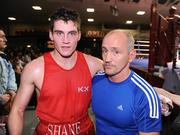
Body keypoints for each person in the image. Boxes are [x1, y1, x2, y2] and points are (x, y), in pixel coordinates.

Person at [8, 7, 103, 135]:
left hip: (85, 131)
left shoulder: (95, 65)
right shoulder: (34, 69)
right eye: (59, 33)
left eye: (72, 33)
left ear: (79, 35)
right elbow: (17, 110)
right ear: (51, 35)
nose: (66, 40)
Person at [92, 30, 162, 135]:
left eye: (116, 52)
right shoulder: (96, 80)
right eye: (104, 51)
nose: (107, 58)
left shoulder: (144, 95)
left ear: (131, 56)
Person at [0, 29, 17, 135]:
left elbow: (11, 80)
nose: (5, 40)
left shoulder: (4, 58)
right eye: (2, 37)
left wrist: (11, 93)